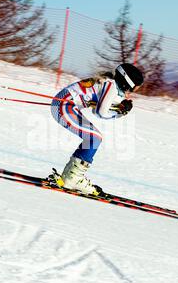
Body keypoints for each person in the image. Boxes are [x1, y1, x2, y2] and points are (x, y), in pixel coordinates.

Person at [50, 63, 144, 196]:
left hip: (64, 104)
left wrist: (119, 108)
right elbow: (101, 113)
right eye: (134, 87)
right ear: (127, 81)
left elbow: (98, 108)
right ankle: (73, 178)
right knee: (94, 138)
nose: (133, 90)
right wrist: (120, 113)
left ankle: (70, 177)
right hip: (64, 105)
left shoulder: (109, 83)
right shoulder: (110, 85)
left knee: (93, 138)